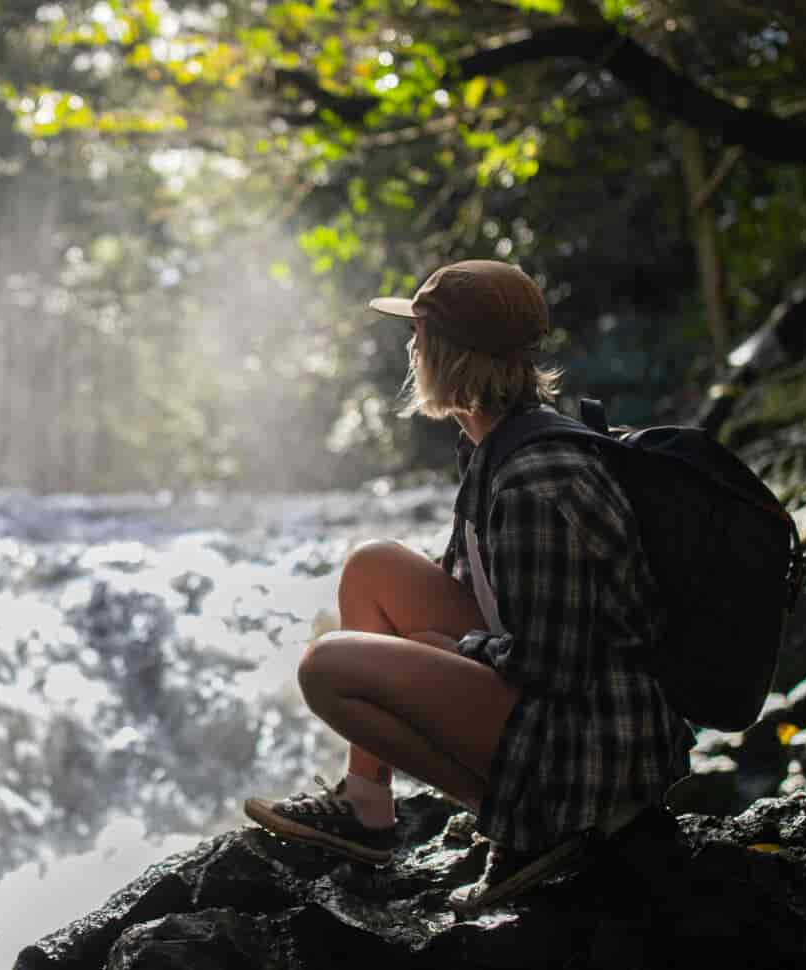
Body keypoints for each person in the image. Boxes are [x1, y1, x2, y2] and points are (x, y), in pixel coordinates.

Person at [241, 259, 692, 912]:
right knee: (373, 567)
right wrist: (438, 647)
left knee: (326, 666)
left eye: (418, 335)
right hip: (568, 708)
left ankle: (535, 833)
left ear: (442, 355)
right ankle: (366, 806)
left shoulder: (537, 480)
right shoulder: (494, 444)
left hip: (594, 749)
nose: (411, 347)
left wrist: (444, 652)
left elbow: (554, 666)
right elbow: (493, 606)